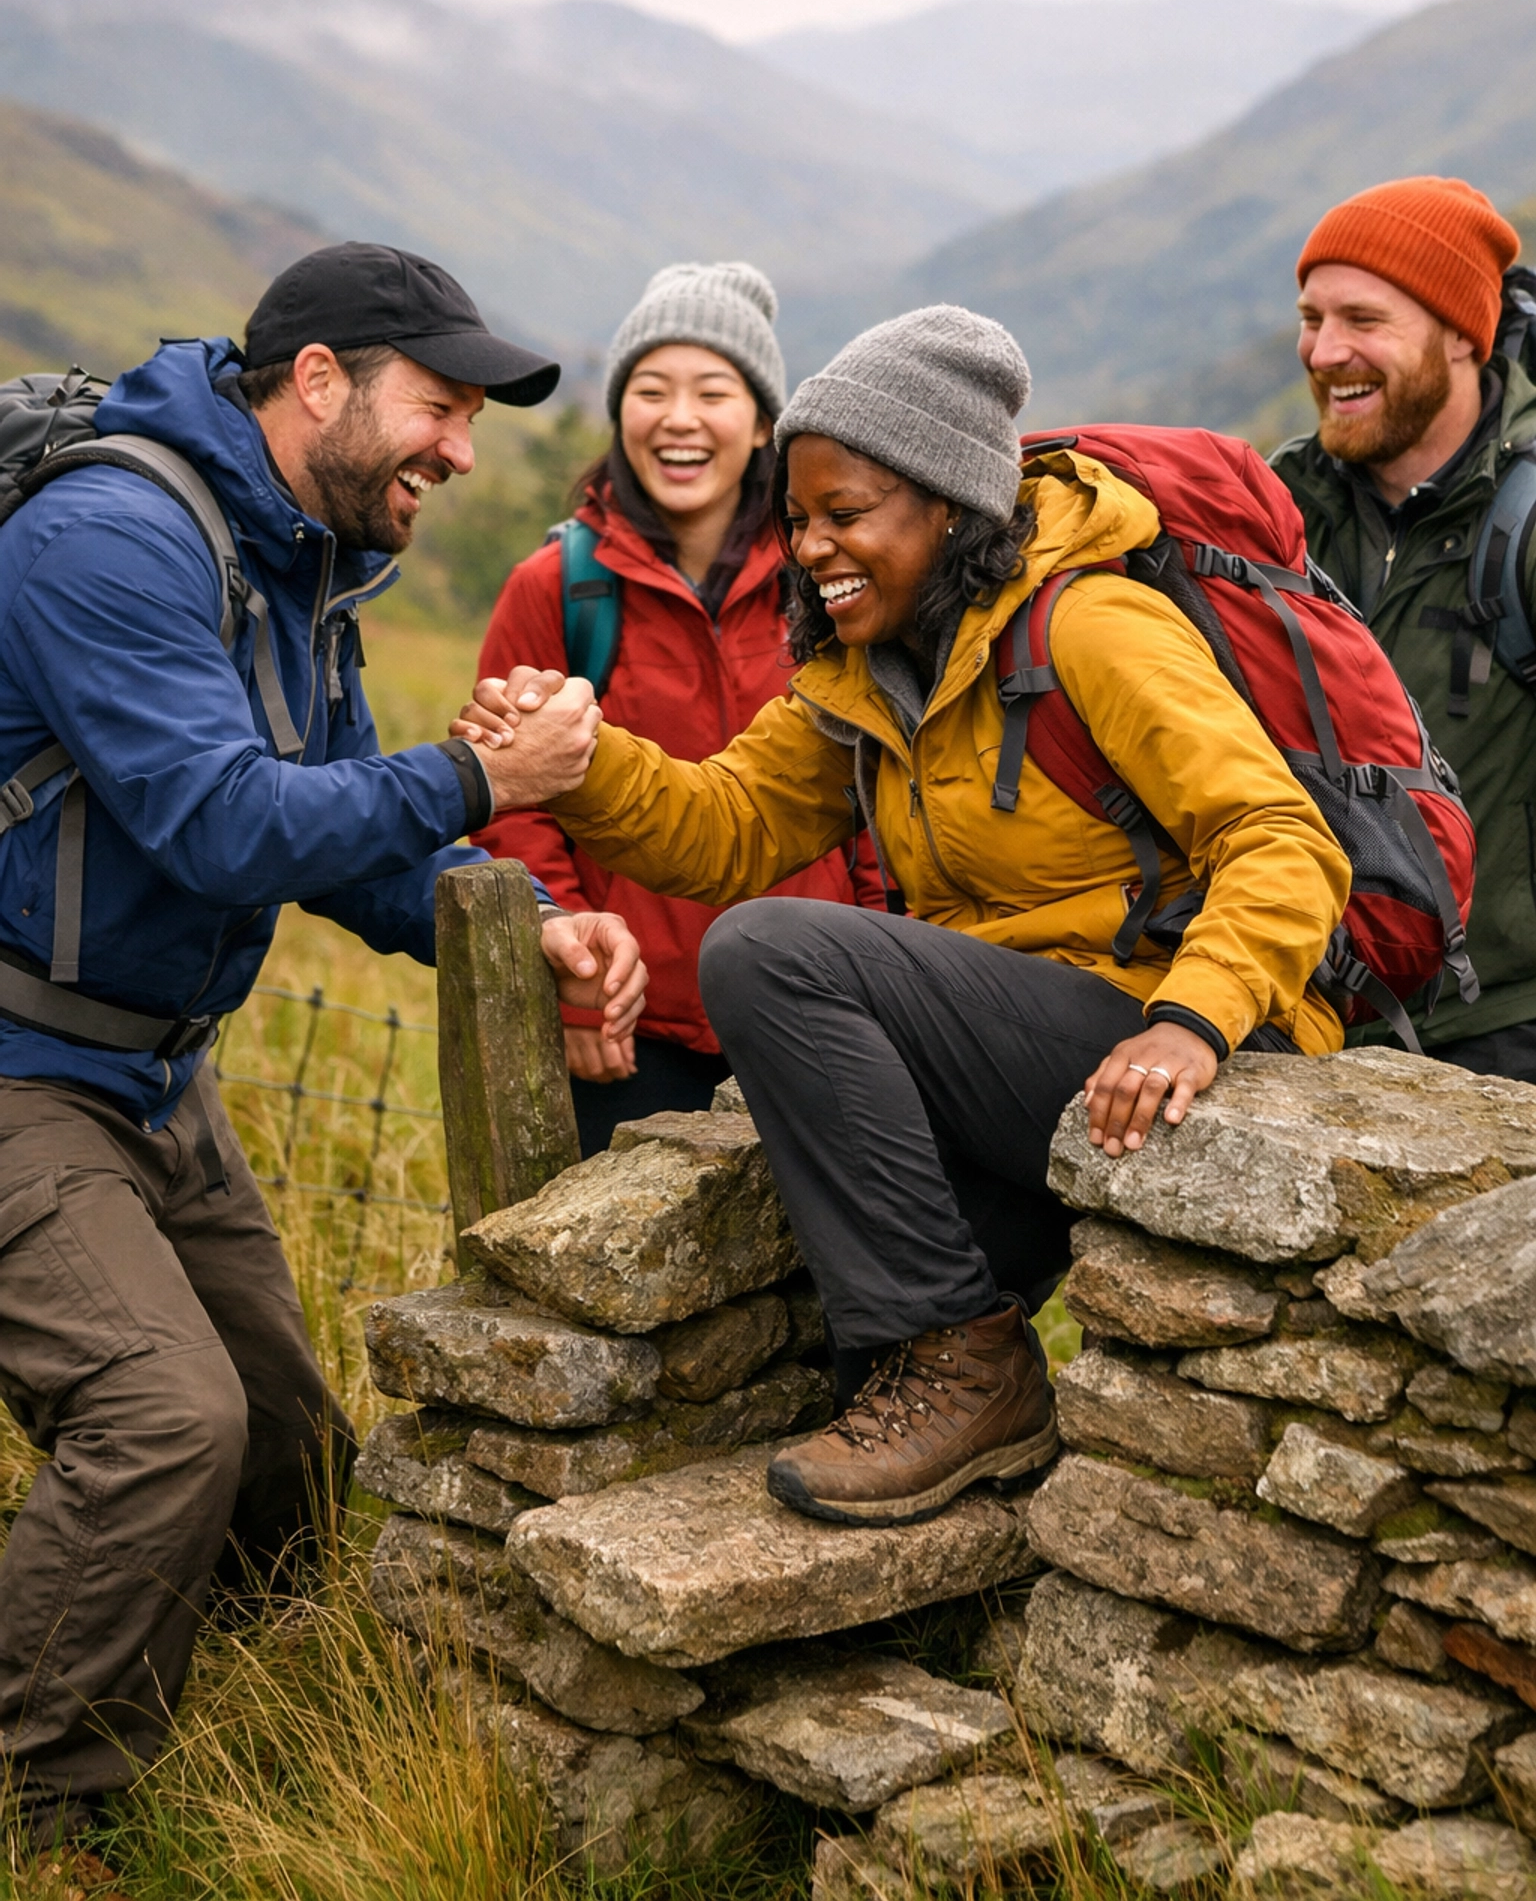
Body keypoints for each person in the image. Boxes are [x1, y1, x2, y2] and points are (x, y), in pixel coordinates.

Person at [456, 305, 1351, 1529]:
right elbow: (722, 827)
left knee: (773, 952)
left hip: (1158, 1040)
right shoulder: (867, 675)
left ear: (946, 505)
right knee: (827, 1336)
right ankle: (937, 1403)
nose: (814, 544)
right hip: (1030, 1056)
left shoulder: (1090, 626)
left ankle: (965, 1367)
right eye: (802, 516)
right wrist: (580, 762)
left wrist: (1192, 1020)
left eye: (847, 512)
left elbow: (1284, 838)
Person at [0, 242, 640, 1842]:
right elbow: (221, 823)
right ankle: (42, 1807)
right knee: (165, 1422)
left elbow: (346, 844)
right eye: (439, 406)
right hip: (19, 1066)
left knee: (285, 1453)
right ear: (317, 384)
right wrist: (487, 783)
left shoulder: (296, 563)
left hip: (155, 1067)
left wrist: (514, 918)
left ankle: (236, 1698)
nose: (462, 450)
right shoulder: (110, 539)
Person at [475, 261, 882, 1154]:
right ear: (621, 411)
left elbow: (876, 791)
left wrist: (884, 961)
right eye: (651, 389)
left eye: (714, 390)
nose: (680, 418)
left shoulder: (832, 577)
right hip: (626, 1031)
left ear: (765, 421)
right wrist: (575, 970)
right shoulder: (560, 587)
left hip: (815, 1007)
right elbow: (512, 804)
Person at [1271, 176, 1536, 1076]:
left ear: (1464, 331)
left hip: (1502, 1031)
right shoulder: (1271, 518)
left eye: (1363, 319)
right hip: (1304, 1020)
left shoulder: (1527, 522)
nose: (1325, 350)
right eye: (1312, 317)